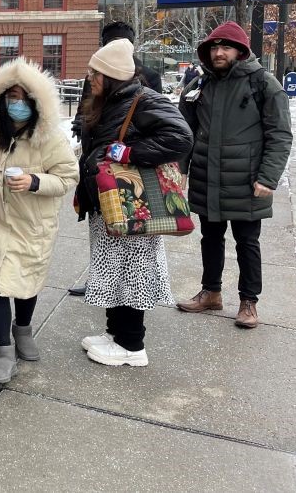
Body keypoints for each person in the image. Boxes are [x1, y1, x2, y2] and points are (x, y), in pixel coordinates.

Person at [0, 58, 79, 383]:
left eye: (24, 98)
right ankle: (3, 351)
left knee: (26, 284)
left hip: (32, 225)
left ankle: (22, 329)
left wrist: (35, 182)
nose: (17, 104)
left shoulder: (50, 138)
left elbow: (68, 176)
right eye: (11, 97)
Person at [74, 38, 192, 367]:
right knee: (113, 270)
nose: (90, 78)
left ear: (111, 76)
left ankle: (132, 344)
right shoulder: (107, 101)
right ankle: (115, 333)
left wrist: (129, 153)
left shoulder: (143, 100)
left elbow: (181, 137)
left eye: (96, 73)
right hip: (109, 200)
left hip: (133, 202)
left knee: (132, 271)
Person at [176, 22, 292, 329]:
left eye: (225, 47)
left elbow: (280, 134)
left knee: (247, 242)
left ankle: (249, 302)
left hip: (246, 180)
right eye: (214, 47)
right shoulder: (200, 85)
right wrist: (181, 169)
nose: (218, 52)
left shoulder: (264, 83)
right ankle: (211, 292)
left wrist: (268, 177)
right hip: (207, 176)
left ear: (240, 51)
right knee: (210, 237)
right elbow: (184, 132)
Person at [69, 20, 163, 296]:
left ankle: (130, 296)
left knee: (130, 239)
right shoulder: (99, 74)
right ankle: (102, 281)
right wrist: (79, 124)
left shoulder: (146, 78)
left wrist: (131, 152)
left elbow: (169, 132)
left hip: (125, 172)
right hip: (95, 165)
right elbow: (87, 106)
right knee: (100, 229)